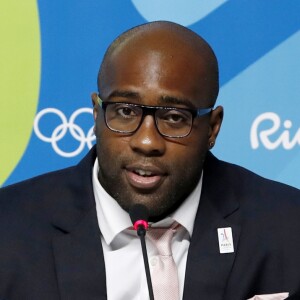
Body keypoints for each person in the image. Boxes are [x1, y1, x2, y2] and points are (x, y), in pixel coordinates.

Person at [0, 21, 299, 300]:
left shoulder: (287, 224)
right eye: (126, 111)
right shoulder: (10, 228)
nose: (146, 142)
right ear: (96, 114)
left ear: (213, 128)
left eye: (173, 118)